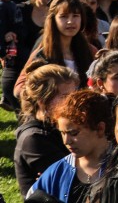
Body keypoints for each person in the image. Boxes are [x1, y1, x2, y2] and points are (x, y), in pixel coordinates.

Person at [28, 90, 112, 203]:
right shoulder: (57, 172)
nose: (66, 141)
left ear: (100, 129)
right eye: (62, 133)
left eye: (74, 133)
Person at [14, 63, 78, 197]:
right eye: (65, 96)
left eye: (74, 95)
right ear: (42, 101)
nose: (73, 102)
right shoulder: (34, 138)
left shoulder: (60, 127)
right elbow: (73, 180)